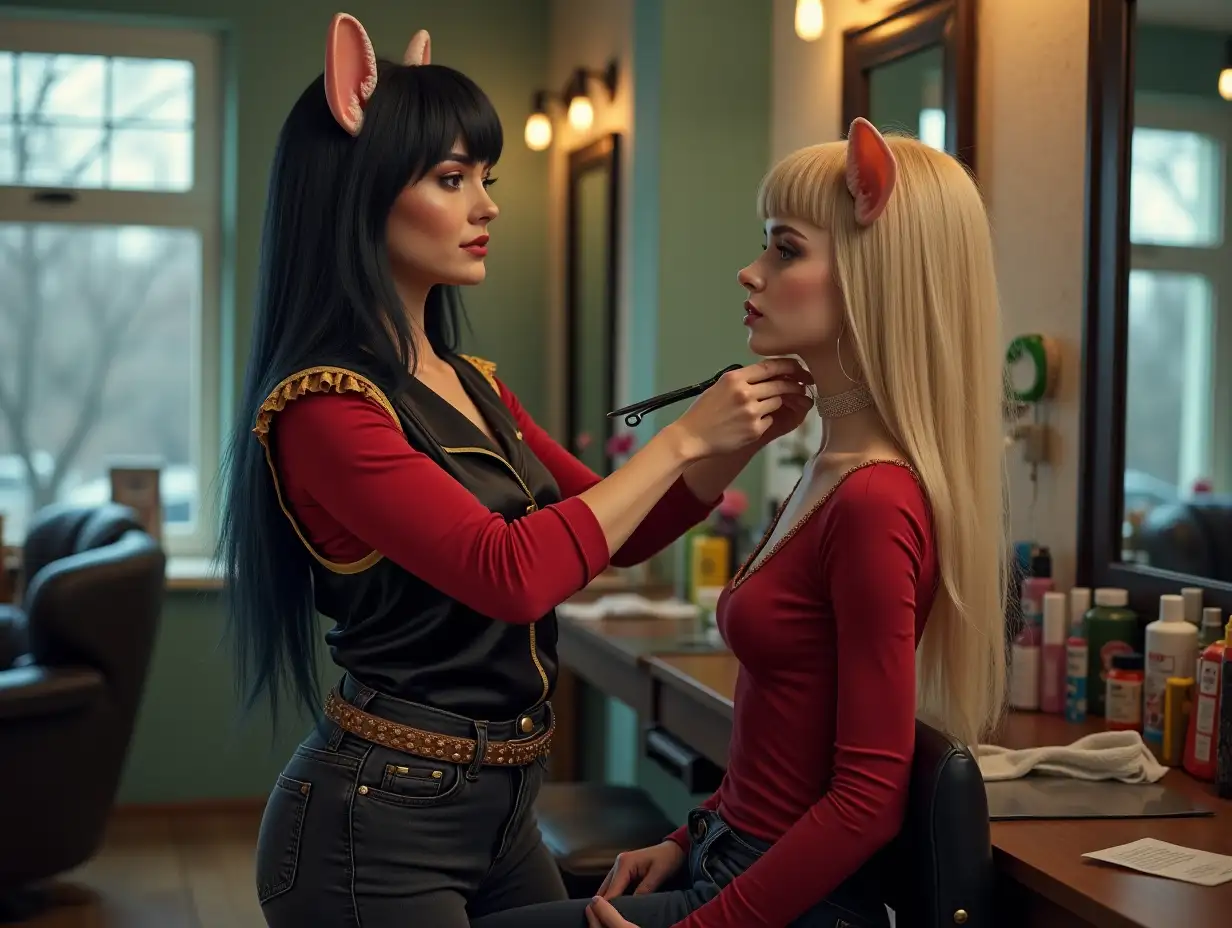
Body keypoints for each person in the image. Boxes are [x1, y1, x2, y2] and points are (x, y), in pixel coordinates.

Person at [217, 12, 813, 928]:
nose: (487, 206)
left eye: (484, 179)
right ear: (357, 188)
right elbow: (514, 572)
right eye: (452, 180)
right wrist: (685, 439)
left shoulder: (470, 382)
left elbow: (618, 532)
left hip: (502, 810)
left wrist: (738, 436)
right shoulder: (325, 409)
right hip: (373, 830)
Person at [469, 119, 1009, 928]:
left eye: (784, 250)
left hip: (781, 901)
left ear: (875, 275)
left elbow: (867, 800)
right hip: (728, 856)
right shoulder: (824, 472)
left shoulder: (874, 501)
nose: (750, 272)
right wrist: (688, 836)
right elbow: (781, 747)